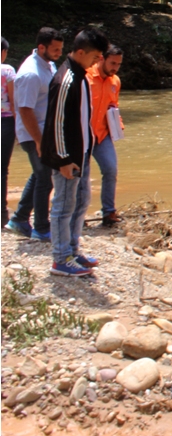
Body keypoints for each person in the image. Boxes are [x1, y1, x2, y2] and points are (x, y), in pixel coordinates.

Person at [41, 28, 108, 277]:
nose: (97, 61)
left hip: (81, 154)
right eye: (95, 56)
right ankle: (60, 259)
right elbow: (56, 123)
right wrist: (63, 160)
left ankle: (72, 248)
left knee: (81, 202)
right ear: (80, 52)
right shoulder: (66, 79)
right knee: (63, 205)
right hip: (67, 158)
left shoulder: (80, 76)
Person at [6, 28, 63, 240]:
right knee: (45, 179)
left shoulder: (48, 64)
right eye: (55, 49)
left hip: (45, 132)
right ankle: (41, 228)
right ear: (41, 47)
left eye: (60, 49)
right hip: (34, 134)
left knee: (39, 175)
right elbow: (24, 109)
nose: (59, 53)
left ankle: (19, 218)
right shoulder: (30, 73)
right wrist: (38, 140)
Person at [87, 45, 124, 227]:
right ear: (101, 59)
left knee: (110, 170)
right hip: (84, 135)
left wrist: (119, 125)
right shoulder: (85, 77)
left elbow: (113, 105)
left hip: (103, 135)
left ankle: (108, 212)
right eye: (112, 63)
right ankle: (75, 213)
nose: (115, 68)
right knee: (80, 176)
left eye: (118, 64)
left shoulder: (115, 81)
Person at [1, 38, 16, 225]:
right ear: (3, 52)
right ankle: (2, 212)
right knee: (2, 169)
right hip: (5, 122)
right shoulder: (7, 70)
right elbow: (14, 101)